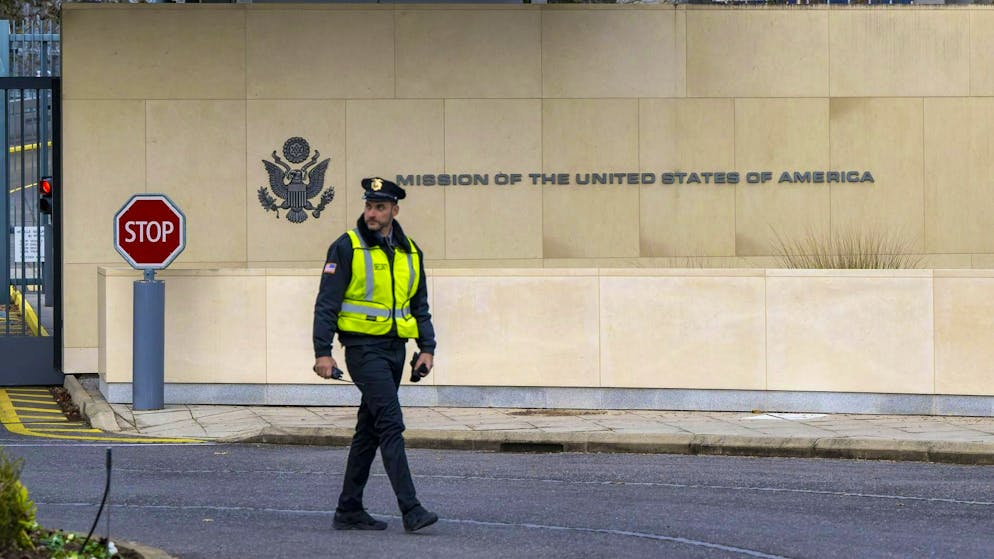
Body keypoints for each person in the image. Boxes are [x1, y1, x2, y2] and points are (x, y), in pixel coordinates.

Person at [312, 176, 439, 533]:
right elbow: (326, 304)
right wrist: (323, 352)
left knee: (368, 431)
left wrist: (426, 348)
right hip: (363, 351)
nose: (372, 213)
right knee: (390, 424)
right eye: (369, 206)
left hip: (395, 352)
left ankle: (348, 509)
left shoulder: (411, 251)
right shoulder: (347, 247)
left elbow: (420, 305)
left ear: (394, 211)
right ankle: (411, 509)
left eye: (380, 207)